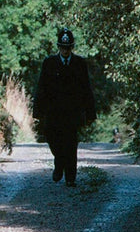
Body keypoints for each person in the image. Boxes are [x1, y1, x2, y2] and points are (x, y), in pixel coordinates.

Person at [33, 27, 96, 187]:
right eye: (63, 47)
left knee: (70, 143)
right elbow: (41, 87)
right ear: (58, 47)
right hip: (53, 112)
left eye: (68, 48)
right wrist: (38, 111)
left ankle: (70, 177)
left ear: (72, 48)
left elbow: (86, 89)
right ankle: (59, 162)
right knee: (53, 139)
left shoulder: (79, 64)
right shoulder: (49, 63)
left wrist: (90, 113)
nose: (65, 50)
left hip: (72, 112)